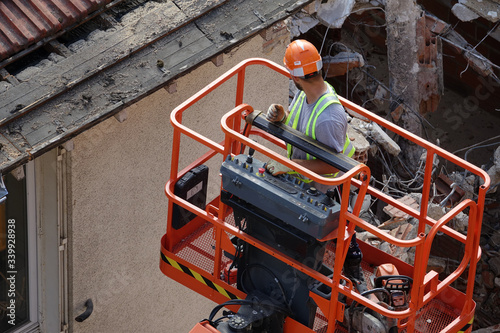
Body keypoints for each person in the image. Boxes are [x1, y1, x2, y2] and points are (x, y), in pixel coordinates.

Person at [265, 39, 367, 294]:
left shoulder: (329, 117)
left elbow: (332, 164)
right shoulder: (305, 95)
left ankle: (348, 269)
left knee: (328, 238)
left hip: (327, 190)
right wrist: (282, 118)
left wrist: (288, 165)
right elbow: (304, 133)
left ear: (294, 75)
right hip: (306, 182)